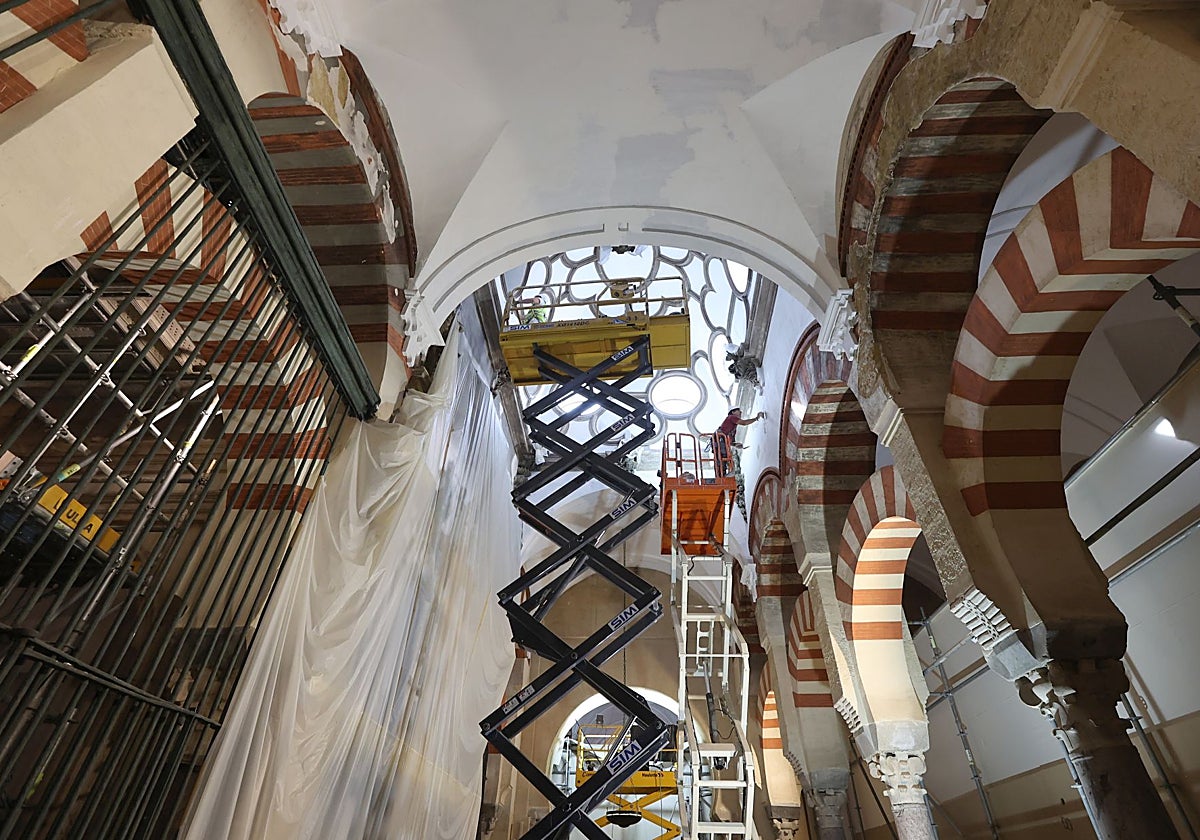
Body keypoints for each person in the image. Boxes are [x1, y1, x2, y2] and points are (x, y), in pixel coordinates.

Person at [714, 407, 765, 474]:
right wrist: (756, 418)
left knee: (722, 459)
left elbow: (731, 442)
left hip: (721, 441)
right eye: (738, 411)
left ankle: (721, 475)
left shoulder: (733, 428)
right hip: (720, 440)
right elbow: (744, 423)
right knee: (722, 458)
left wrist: (736, 444)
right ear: (733, 412)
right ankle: (721, 475)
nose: (741, 412)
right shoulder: (731, 417)